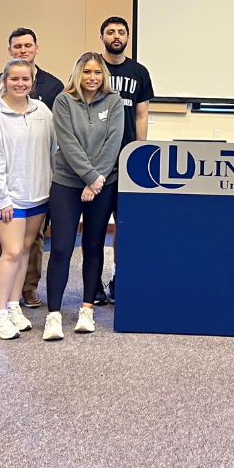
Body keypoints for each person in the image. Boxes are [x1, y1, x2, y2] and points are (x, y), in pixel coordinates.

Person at [0, 28, 65, 309]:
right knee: (12, 251)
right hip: (8, 198)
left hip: (37, 195)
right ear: (4, 81)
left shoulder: (43, 110)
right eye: (14, 79)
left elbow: (53, 150)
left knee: (26, 250)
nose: (20, 83)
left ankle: (15, 306)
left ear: (33, 81)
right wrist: (1, 197)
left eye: (25, 79)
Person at [48, 53, 125, 336]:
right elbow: (67, 143)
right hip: (68, 183)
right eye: (87, 72)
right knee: (60, 248)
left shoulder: (115, 102)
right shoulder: (63, 101)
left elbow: (113, 143)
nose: (92, 77)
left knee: (93, 248)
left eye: (98, 72)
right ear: (78, 74)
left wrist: (96, 182)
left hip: (103, 185)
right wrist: (90, 178)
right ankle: (54, 315)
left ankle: (87, 309)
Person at [99, 16, 155, 305]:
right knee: (95, 224)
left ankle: (119, 277)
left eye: (121, 32)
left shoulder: (139, 72)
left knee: (125, 223)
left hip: (125, 161)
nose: (116, 36)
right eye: (111, 32)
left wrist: (139, 154)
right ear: (102, 37)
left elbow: (142, 115)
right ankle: (92, 281)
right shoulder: (92, 68)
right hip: (96, 162)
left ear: (128, 37)